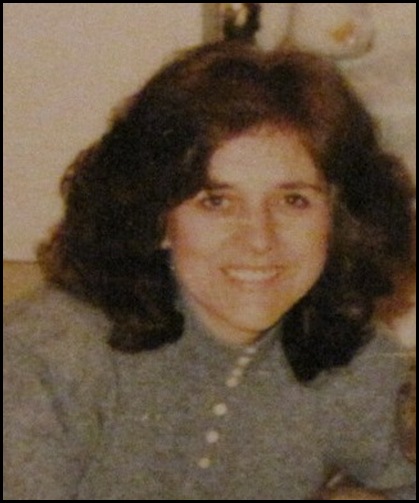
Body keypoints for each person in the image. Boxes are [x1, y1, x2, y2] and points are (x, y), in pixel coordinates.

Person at [3, 41, 416, 500]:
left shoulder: (354, 359)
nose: (259, 239)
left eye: (293, 200)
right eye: (217, 201)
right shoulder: (47, 358)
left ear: (339, 219)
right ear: (157, 215)